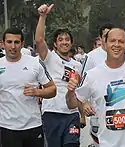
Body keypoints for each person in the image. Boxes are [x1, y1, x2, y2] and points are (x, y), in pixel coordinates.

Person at [67, 26, 125, 147]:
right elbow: (72, 104)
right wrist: (70, 92)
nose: (117, 45)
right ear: (104, 44)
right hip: (108, 142)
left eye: (121, 41)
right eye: (112, 41)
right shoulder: (92, 75)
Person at [35, 4, 84, 147]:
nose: (64, 42)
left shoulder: (78, 66)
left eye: (67, 39)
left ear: (71, 43)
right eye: (61, 40)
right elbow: (39, 40)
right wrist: (43, 16)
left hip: (72, 115)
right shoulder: (49, 58)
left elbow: (78, 92)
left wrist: (82, 114)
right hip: (52, 113)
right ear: (55, 44)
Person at [0, 28, 57, 147]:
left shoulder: (35, 63)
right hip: (7, 128)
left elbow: (52, 90)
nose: (13, 46)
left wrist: (37, 92)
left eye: (16, 42)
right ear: (3, 44)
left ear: (22, 44)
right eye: (9, 42)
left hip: (33, 126)